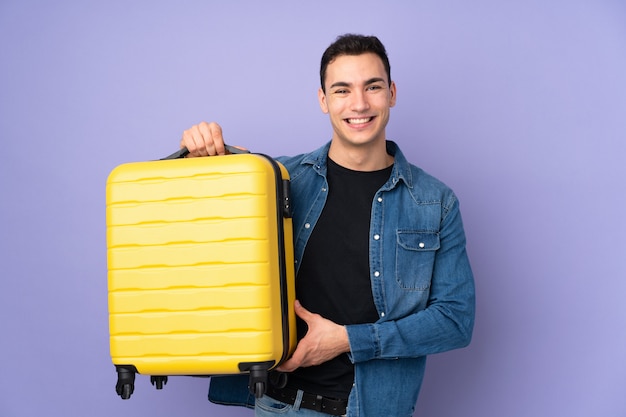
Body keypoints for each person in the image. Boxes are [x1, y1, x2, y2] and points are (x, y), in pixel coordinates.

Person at [180, 34, 475, 417]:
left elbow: (455, 320)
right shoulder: (276, 180)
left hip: (375, 409)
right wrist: (197, 154)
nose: (359, 104)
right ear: (323, 99)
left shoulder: (435, 202)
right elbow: (203, 233)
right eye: (342, 90)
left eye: (373, 87)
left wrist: (347, 340)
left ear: (392, 93)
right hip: (279, 405)